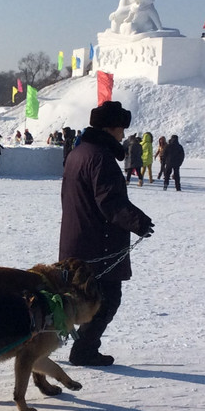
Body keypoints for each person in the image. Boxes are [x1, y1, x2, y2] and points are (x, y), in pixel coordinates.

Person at [59, 100, 154, 367]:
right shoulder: (101, 158)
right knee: (107, 299)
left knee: (84, 298)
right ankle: (84, 350)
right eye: (121, 128)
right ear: (111, 128)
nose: (123, 134)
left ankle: (81, 347)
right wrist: (138, 222)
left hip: (77, 238)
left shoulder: (79, 153)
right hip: (98, 243)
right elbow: (110, 201)